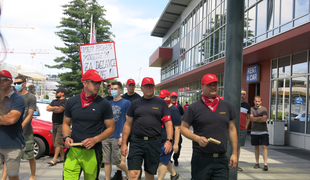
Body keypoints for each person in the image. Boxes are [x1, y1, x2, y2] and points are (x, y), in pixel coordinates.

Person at [180, 74, 238, 180]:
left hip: (221, 158)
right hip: (201, 159)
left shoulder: (227, 106)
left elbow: (232, 129)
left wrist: (234, 153)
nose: (213, 87)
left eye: (215, 84)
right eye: (209, 85)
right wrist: (197, 138)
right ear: (202, 87)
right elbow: (183, 128)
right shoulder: (194, 107)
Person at [62, 69, 115, 180]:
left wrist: (95, 139)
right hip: (73, 150)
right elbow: (66, 124)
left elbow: (111, 128)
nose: (97, 85)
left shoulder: (104, 103)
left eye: (99, 83)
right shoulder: (71, 101)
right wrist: (67, 137)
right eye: (94, 82)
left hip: (93, 151)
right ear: (84, 83)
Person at [121, 77, 173, 180]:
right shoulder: (135, 103)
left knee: (149, 174)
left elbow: (168, 123)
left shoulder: (161, 103)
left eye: (151, 86)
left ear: (154, 88)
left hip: (154, 142)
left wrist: (169, 140)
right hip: (136, 142)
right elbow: (127, 124)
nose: (149, 89)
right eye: (146, 86)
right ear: (142, 88)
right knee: (133, 173)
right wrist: (123, 144)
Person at [0, 70, 25, 180]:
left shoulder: (17, 98)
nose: (1, 82)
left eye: (4, 79)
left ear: (10, 82)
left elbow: (11, 119)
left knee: (12, 176)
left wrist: (6, 118)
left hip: (12, 144)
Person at [103, 81, 130, 180]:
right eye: (111, 89)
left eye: (115, 89)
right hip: (106, 135)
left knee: (117, 160)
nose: (113, 91)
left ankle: (128, 174)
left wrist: (122, 136)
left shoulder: (126, 103)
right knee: (106, 160)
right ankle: (107, 178)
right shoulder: (108, 103)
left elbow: (128, 121)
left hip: (118, 135)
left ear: (120, 90)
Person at [120, 78, 142, 179]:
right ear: (126, 86)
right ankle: (120, 172)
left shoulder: (138, 98)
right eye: (130, 85)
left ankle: (136, 171)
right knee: (123, 150)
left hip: (134, 129)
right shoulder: (122, 98)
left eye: (133, 85)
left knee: (134, 152)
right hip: (123, 128)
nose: (131, 87)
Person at [157, 90, 181, 180]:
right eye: (161, 98)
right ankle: (174, 174)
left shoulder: (174, 111)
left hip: (169, 140)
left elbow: (178, 128)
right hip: (159, 139)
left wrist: (175, 143)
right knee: (164, 159)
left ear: (169, 98)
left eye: (165, 98)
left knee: (162, 161)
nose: (163, 100)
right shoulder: (160, 109)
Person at [46, 87, 67, 166]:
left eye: (58, 92)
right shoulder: (54, 101)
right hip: (54, 123)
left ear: (62, 93)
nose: (56, 93)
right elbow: (47, 108)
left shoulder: (65, 101)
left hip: (62, 124)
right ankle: (62, 157)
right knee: (56, 141)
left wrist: (53, 108)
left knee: (58, 141)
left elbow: (60, 110)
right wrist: (55, 107)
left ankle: (54, 159)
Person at [250, 96, 269, 171]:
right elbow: (251, 119)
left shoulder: (263, 109)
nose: (257, 103)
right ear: (254, 101)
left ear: (261, 102)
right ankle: (257, 163)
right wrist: (259, 118)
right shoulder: (251, 109)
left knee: (264, 146)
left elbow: (264, 119)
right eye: (256, 101)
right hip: (254, 131)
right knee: (256, 147)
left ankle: (265, 164)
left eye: (258, 101)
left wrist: (255, 119)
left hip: (263, 131)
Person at [238, 88, 251, 172]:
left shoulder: (247, 105)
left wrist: (246, 126)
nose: (242, 96)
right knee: (229, 146)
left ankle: (236, 163)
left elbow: (249, 117)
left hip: (242, 129)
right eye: (241, 94)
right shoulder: (234, 103)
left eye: (244, 94)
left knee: (238, 147)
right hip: (232, 129)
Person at [170, 92, 183, 167]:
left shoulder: (179, 107)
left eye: (175, 97)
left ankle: (176, 158)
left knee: (178, 144)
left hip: (177, 129)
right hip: (169, 129)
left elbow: (182, 116)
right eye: (172, 97)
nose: (173, 99)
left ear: (177, 98)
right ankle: (168, 159)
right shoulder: (168, 106)